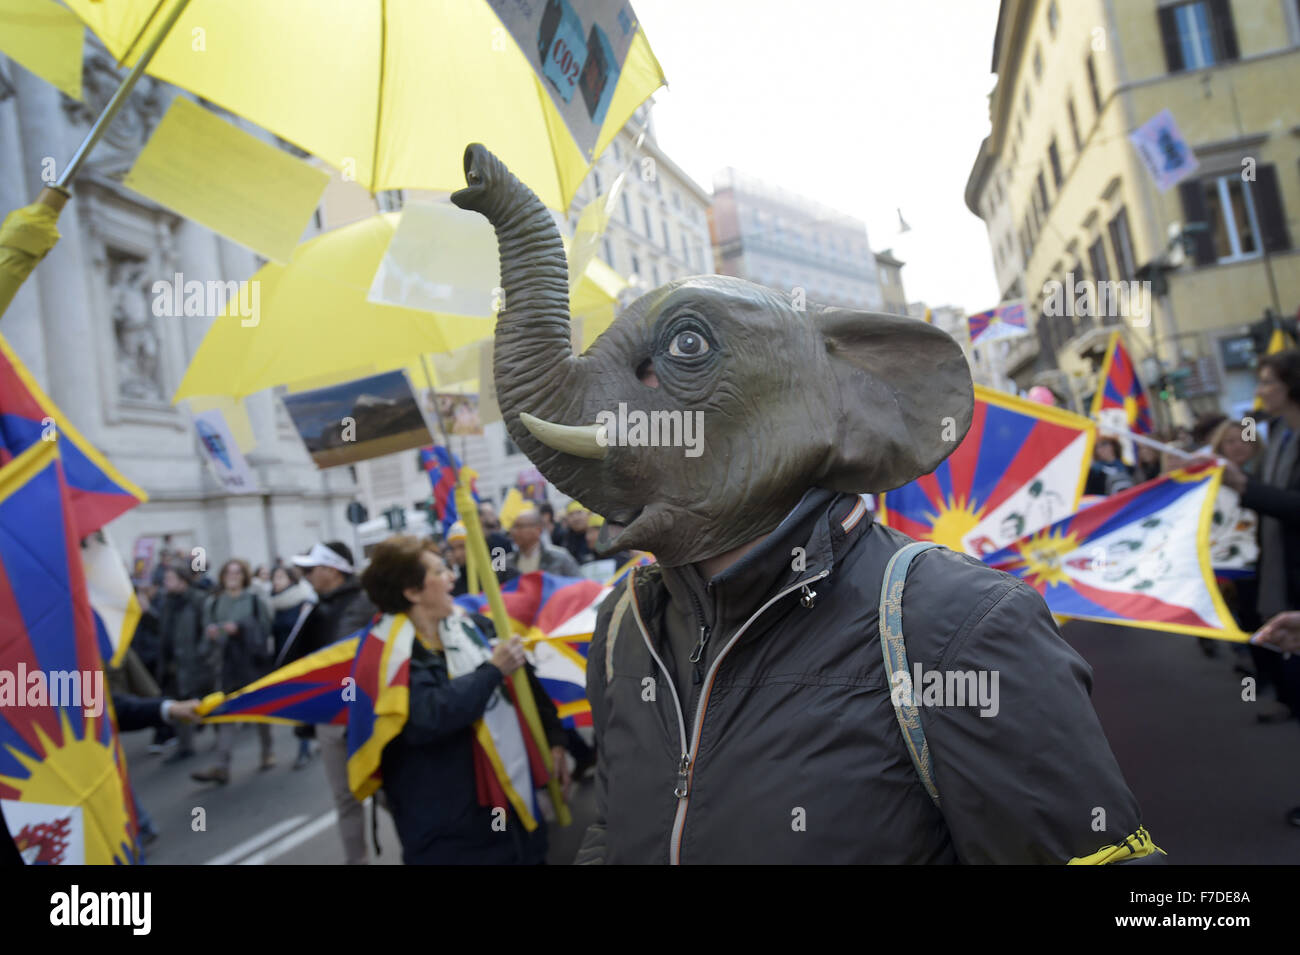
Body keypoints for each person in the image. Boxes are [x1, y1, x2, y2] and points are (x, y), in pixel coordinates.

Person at [359, 535, 569, 863]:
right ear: (412, 591)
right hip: (449, 832)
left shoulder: (472, 627)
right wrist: (491, 671)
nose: (451, 577)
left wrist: (555, 740)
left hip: (513, 813)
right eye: (440, 571)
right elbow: (427, 716)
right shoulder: (386, 656)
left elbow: (524, 684)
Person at [1219, 351, 1300, 824]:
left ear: (1290, 386)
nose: (1261, 389)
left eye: (1268, 381)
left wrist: (1245, 486)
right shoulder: (1281, 438)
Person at [286, 540, 378, 864]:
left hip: (367, 713)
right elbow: (296, 663)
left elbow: (343, 652)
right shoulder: (312, 609)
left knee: (387, 788)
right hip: (330, 717)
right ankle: (357, 860)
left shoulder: (367, 601)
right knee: (345, 797)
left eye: (312, 569)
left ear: (333, 570)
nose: (307, 576)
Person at [191, 559, 275, 785]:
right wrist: (213, 635)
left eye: (237, 573)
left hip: (251, 664)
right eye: (229, 572)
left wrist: (241, 629)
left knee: (259, 711)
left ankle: (267, 752)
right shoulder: (214, 603)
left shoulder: (255, 600)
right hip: (226, 666)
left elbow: (265, 629)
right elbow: (206, 637)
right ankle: (222, 766)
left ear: (244, 576)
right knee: (226, 713)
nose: (233, 576)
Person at [156, 563, 212, 764]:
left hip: (195, 663)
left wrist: (201, 656)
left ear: (182, 580)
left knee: (204, 701)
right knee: (179, 701)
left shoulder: (199, 599)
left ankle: (222, 734)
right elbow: (162, 631)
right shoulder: (167, 602)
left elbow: (206, 630)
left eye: (169, 578)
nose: (165, 582)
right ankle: (185, 746)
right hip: (174, 664)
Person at [269, 565, 319, 769]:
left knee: (303, 705)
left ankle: (304, 749)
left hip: (303, 661)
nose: (276, 581)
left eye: (280, 576)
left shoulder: (304, 600)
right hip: (283, 661)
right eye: (274, 577)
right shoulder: (270, 603)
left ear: (291, 579)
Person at [506, 508, 582, 577]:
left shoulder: (559, 558)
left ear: (538, 530)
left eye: (519, 526)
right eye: (513, 527)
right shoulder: (507, 564)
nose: (513, 532)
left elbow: (579, 585)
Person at [443, 521, 471, 596]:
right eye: (453, 549)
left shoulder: (498, 573)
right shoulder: (454, 587)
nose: (457, 554)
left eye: (462, 546)